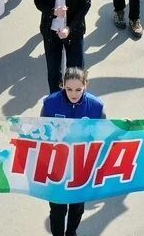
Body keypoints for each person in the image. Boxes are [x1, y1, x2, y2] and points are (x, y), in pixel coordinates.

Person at [40, 68, 106, 236]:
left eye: (78, 89)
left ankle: (71, 232)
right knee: (57, 210)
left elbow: (104, 135)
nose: (73, 94)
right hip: (56, 168)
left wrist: (124, 128)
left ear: (86, 85)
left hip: (82, 168)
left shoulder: (97, 107)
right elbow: (40, 133)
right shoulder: (50, 103)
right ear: (62, 86)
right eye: (68, 89)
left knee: (77, 208)